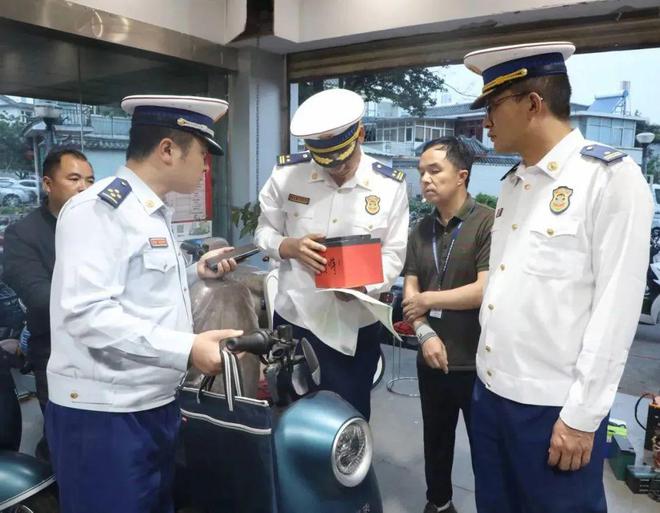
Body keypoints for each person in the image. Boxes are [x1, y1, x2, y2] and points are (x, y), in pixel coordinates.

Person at [463, 42, 653, 512]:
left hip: (552, 410)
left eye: (492, 106)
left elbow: (616, 309)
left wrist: (583, 417)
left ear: (533, 103)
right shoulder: (514, 183)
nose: (485, 122)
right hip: (491, 396)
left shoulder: (609, 179)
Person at [46, 95, 242, 513]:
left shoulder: (151, 211)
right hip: (104, 416)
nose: (206, 164)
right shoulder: (99, 210)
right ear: (168, 149)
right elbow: (86, 315)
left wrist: (196, 273)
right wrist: (187, 348)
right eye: (203, 153)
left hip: (152, 403)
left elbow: (140, 290)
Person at [254, 88, 409, 419]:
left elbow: (394, 254)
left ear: (361, 134)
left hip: (354, 326)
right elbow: (263, 231)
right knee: (290, 414)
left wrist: (364, 288)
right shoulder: (287, 175)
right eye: (325, 162)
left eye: (343, 158)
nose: (335, 169)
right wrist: (288, 246)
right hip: (296, 319)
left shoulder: (389, 186)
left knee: (348, 416)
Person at [402, 136, 492, 513]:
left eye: (435, 170)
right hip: (432, 358)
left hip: (477, 365)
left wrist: (428, 300)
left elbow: (484, 289)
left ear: (462, 176)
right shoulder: (421, 230)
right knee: (436, 441)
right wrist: (424, 335)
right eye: (421, 171)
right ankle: (439, 504)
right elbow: (410, 292)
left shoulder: (487, 222)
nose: (425, 179)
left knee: (485, 450)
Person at [3, 148, 94, 460]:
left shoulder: (102, 228)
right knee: (67, 443)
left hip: (107, 353)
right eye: (74, 178)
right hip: (57, 355)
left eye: (89, 180)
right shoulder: (23, 234)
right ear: (47, 183)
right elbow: (42, 301)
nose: (84, 187)